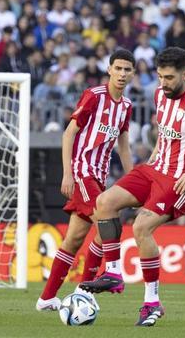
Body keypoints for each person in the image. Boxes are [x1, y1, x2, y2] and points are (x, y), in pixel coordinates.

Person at [80, 47, 185, 327]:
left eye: (170, 78)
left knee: (141, 227)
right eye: (160, 76)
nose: (163, 83)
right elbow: (165, 133)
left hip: (182, 179)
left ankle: (152, 302)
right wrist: (151, 159)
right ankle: (113, 273)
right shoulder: (160, 93)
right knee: (104, 203)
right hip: (155, 168)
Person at [36, 48, 135, 311]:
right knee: (108, 222)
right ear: (109, 69)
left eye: (127, 69)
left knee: (75, 239)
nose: (122, 74)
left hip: (99, 178)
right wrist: (68, 173)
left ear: (132, 73)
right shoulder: (94, 96)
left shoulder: (126, 107)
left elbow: (123, 147)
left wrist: (136, 181)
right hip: (82, 172)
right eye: (118, 68)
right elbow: (69, 134)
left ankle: (46, 298)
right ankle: (100, 282)